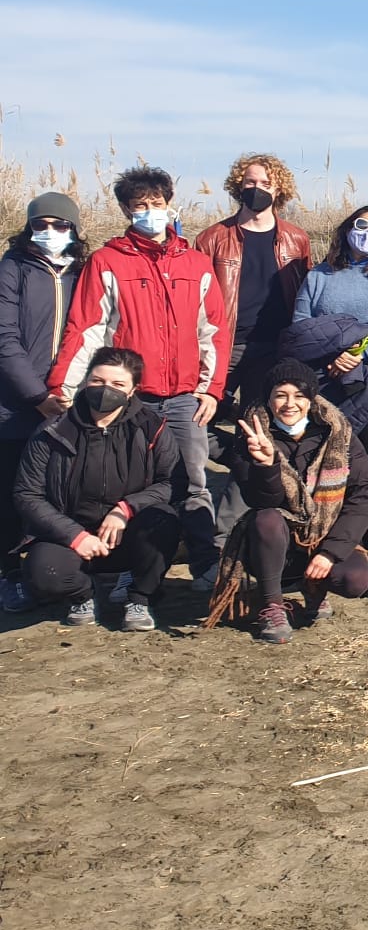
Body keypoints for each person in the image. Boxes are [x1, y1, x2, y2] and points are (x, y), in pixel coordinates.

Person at [47, 165, 231, 587]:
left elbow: (215, 331)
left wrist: (211, 390)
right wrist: (63, 387)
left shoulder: (197, 263)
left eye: (156, 204)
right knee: (127, 484)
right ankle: (126, 569)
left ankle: (205, 563)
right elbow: (88, 329)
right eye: (139, 207)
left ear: (170, 204)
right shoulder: (107, 262)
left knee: (193, 480)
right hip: (129, 399)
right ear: (127, 212)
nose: (150, 212)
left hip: (185, 396)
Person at [205, 360, 368, 645]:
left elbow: (364, 495)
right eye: (280, 394)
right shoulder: (253, 436)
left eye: (299, 395)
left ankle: (314, 589)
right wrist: (267, 465)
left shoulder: (339, 434)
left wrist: (331, 552)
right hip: (272, 540)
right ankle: (272, 605)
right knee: (265, 518)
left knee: (355, 580)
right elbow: (262, 500)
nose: (289, 403)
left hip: (323, 533)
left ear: (311, 399)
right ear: (269, 398)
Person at [14, 346, 178, 632]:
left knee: (165, 521)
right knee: (44, 574)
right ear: (86, 380)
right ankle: (83, 595)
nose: (105, 390)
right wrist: (74, 535)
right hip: (69, 536)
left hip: (128, 534)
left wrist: (126, 508)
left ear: (132, 390)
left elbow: (172, 483)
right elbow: (27, 494)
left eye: (117, 384)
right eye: (97, 381)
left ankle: (139, 596)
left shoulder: (153, 428)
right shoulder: (52, 430)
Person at [292, 205, 368, 552]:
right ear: (348, 228)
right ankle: (321, 534)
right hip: (325, 380)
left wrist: (360, 352)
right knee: (323, 457)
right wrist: (332, 355)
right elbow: (303, 323)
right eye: (363, 226)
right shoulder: (320, 275)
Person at [0, 193, 86, 611]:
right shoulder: (12, 268)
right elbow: (5, 339)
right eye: (42, 224)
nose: (50, 232)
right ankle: (10, 572)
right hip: (16, 403)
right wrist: (37, 395)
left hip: (68, 398)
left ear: (74, 229)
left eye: (60, 224)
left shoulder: (82, 272)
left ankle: (56, 568)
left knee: (57, 488)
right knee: (11, 490)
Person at [194, 154, 312, 421]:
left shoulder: (296, 239)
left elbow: (305, 290)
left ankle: (243, 463)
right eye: (250, 182)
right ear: (239, 186)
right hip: (226, 343)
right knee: (201, 417)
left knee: (257, 422)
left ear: (278, 189)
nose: (257, 189)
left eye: (266, 183)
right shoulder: (211, 238)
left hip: (274, 344)